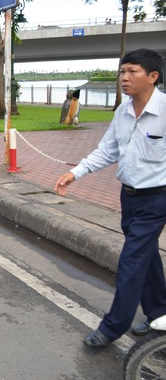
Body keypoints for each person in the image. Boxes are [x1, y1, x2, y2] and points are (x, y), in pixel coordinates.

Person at [54, 48, 166, 349]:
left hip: (157, 200)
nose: (124, 78)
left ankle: (112, 327)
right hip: (129, 197)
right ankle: (160, 312)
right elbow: (107, 151)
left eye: (132, 72)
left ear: (153, 76)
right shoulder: (123, 111)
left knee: (131, 261)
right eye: (122, 72)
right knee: (147, 256)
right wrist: (75, 173)